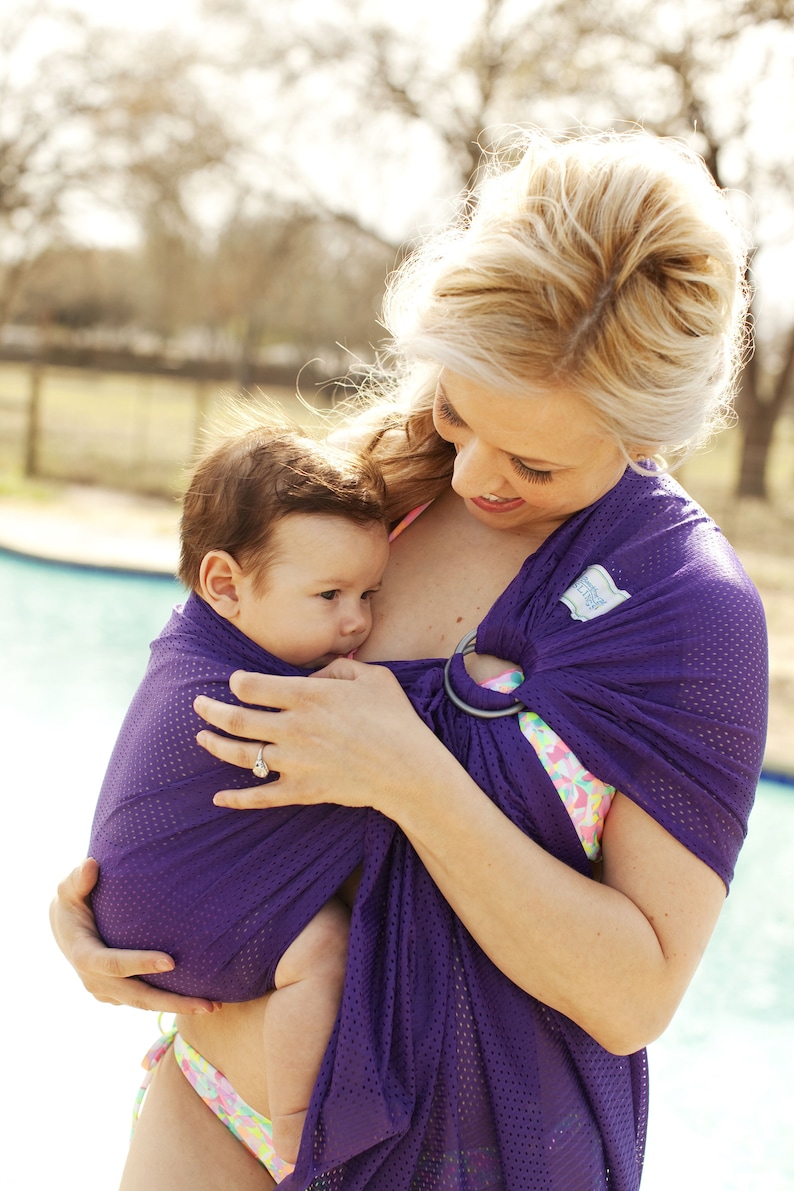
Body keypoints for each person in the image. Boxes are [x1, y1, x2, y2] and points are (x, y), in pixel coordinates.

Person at [50, 128, 768, 1191]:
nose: (475, 473)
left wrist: (411, 778)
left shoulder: (681, 612)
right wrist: (105, 913)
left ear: (642, 431)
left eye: (532, 460)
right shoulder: (370, 491)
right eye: (455, 407)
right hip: (210, 1102)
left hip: (466, 1154)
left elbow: (633, 995)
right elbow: (194, 695)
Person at [88, 421, 390, 1173]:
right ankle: (295, 1132)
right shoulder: (253, 689)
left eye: (369, 593)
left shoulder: (193, 640)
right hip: (168, 920)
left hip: (137, 904)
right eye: (330, 594)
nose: (357, 621)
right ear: (225, 583)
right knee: (321, 952)